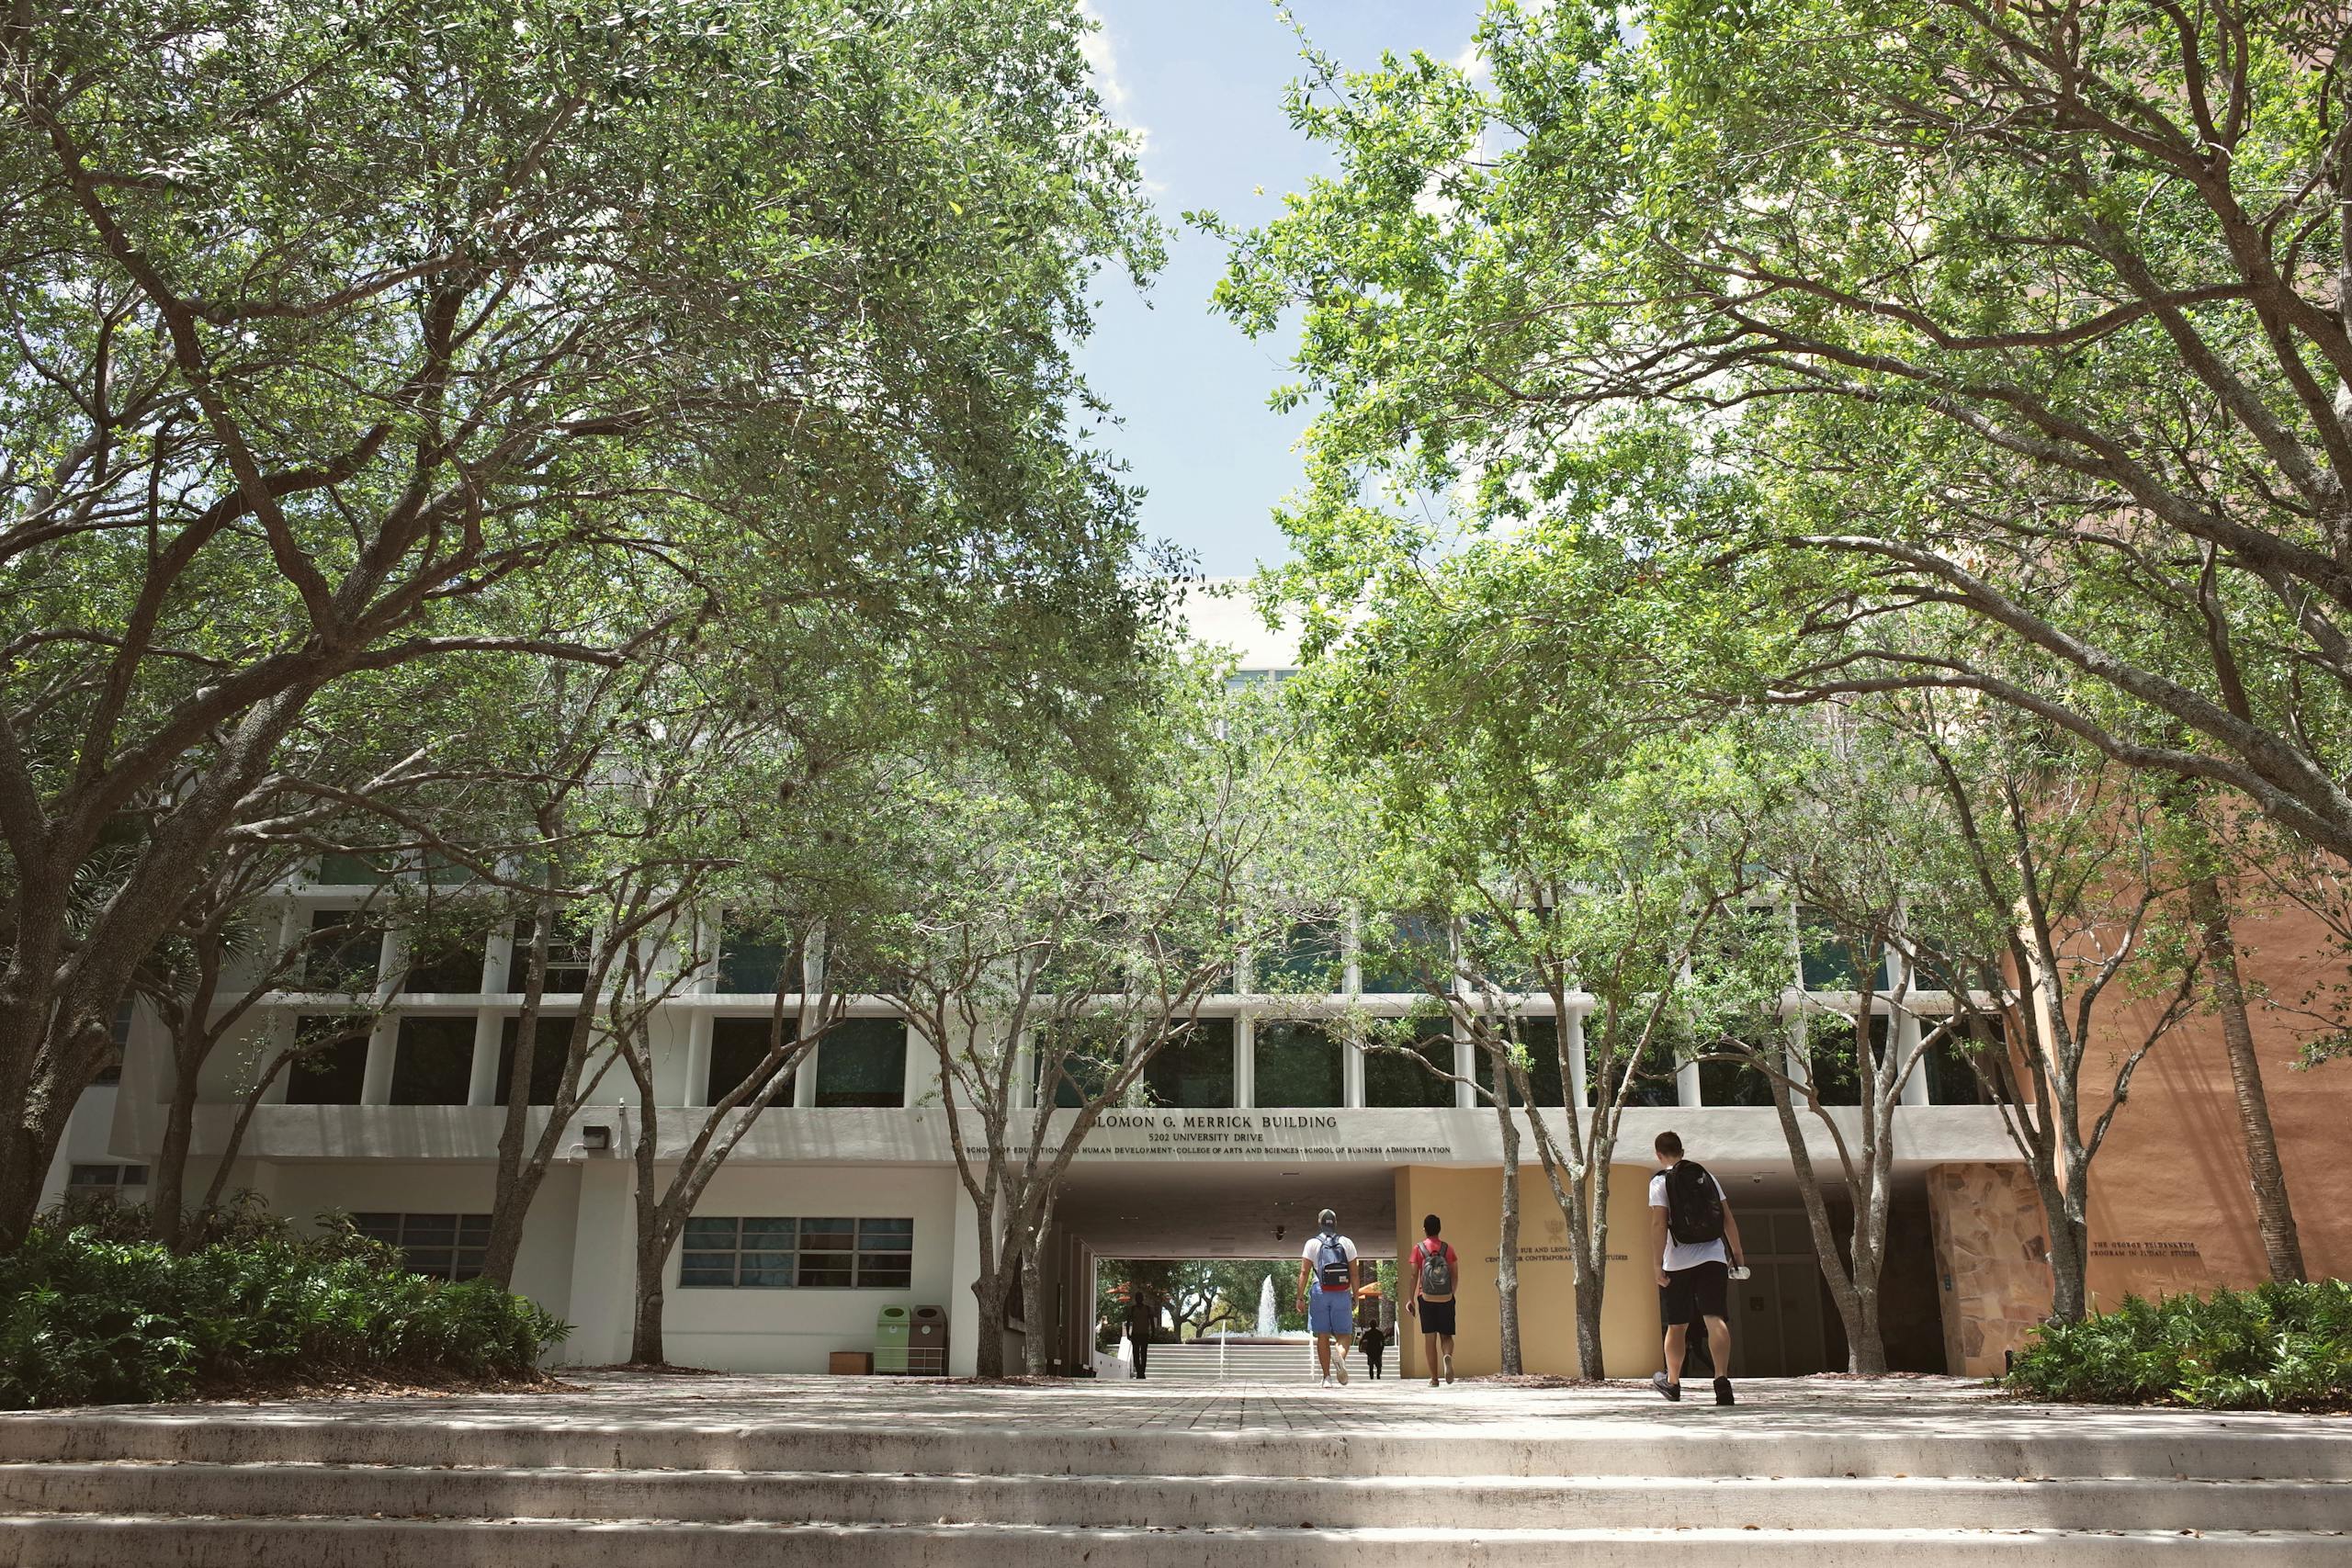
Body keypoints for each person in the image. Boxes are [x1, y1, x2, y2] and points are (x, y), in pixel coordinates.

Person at [1647, 1129, 1747, 1406]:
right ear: (1682, 1150)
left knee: (1677, 1324)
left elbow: (1658, 1224)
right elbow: (1727, 1218)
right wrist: (1737, 1254)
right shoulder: (1708, 1177)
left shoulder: (1660, 1181)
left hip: (1677, 1260)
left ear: (1659, 1155)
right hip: (1713, 1257)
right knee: (1714, 1318)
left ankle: (1673, 1383)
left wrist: (1657, 1264)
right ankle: (1721, 1381)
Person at [1295, 1207, 1362, 1385]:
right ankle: (1339, 1356)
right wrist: (1356, 1296)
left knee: (1323, 1335)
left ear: (1319, 1224)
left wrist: (1299, 1297)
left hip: (1320, 1291)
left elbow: (1304, 1272)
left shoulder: (1312, 1244)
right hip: (1341, 1292)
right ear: (1335, 1223)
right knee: (1344, 1334)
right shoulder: (1347, 1243)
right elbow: (1354, 1274)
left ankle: (1326, 1378)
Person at [1407, 1213, 1461, 1387]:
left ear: (1425, 1229)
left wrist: (1411, 1299)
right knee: (1446, 1335)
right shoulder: (1448, 1248)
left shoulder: (1419, 1248)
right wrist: (1451, 1293)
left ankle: (1434, 1379)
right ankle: (1447, 1356)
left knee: (1430, 1339)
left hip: (1426, 1297)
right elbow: (1454, 1274)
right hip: (1445, 1298)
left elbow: (1414, 1274)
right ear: (1439, 1229)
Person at [1125, 1278, 1157, 1381]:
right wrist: (1128, 1334)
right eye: (1138, 1297)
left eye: (1140, 1297)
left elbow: (1151, 1321)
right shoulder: (1132, 1309)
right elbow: (1129, 1321)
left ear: (1142, 1299)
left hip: (1144, 1334)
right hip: (1135, 1334)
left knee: (1143, 1354)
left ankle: (1142, 1372)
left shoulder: (1147, 1309)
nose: (1139, 1299)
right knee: (1135, 1354)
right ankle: (1139, 1371)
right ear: (1136, 1299)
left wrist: (1153, 1332)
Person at [1356, 1282, 1388, 1378]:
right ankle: (1378, 1375)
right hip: (1377, 1350)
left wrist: (1360, 1347)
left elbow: (1362, 1339)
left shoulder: (1368, 1332)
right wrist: (1382, 1348)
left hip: (1371, 1350)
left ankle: (1372, 1376)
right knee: (1378, 1364)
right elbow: (1383, 1341)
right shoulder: (1378, 1332)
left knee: (1371, 1365)